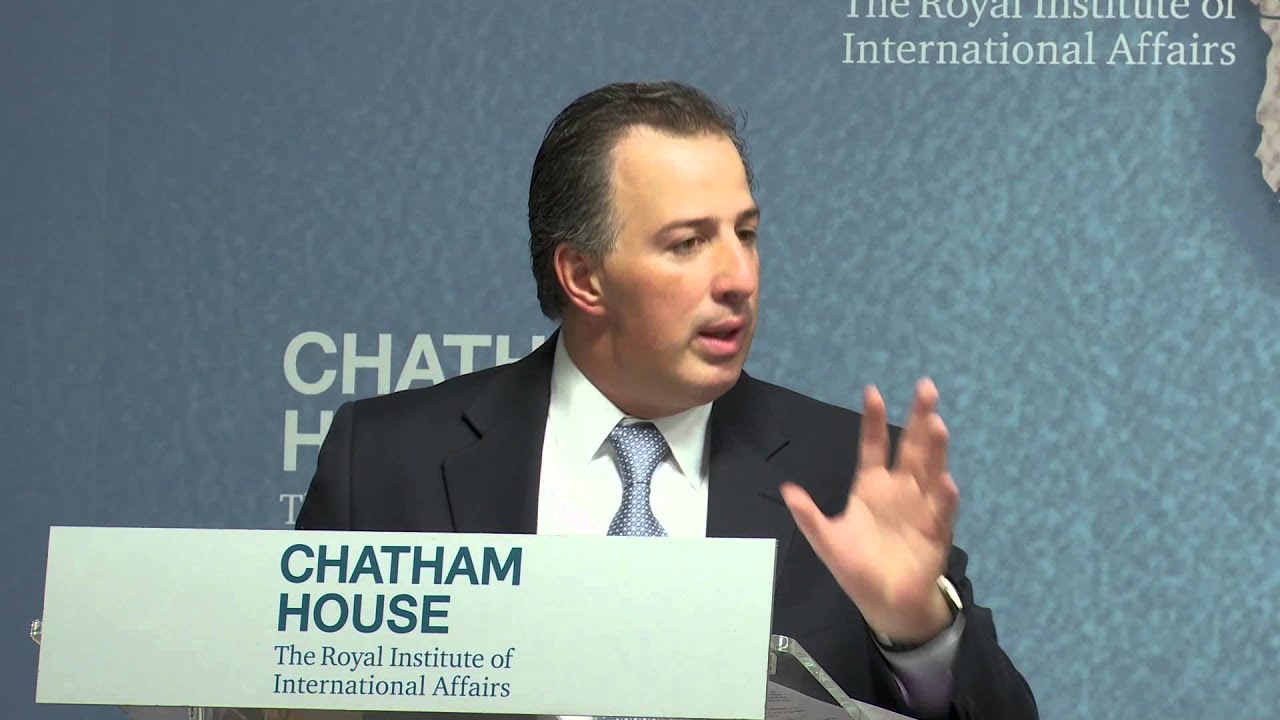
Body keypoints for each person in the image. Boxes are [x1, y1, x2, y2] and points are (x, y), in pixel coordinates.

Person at [296, 80, 1038, 720]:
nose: (739, 278)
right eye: (688, 243)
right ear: (583, 277)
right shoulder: (388, 460)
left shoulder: (847, 475)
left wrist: (917, 631)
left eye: (745, 234)